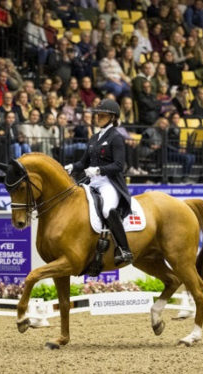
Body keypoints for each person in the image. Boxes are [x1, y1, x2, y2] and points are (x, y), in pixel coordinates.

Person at [64, 99, 133, 265]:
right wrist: (71, 166)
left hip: (109, 183)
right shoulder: (94, 138)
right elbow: (83, 163)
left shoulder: (116, 137)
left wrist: (99, 170)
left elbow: (119, 165)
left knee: (108, 209)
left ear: (112, 117)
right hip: (92, 182)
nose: (98, 118)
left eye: (102, 115)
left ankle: (124, 249)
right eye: (98, 115)